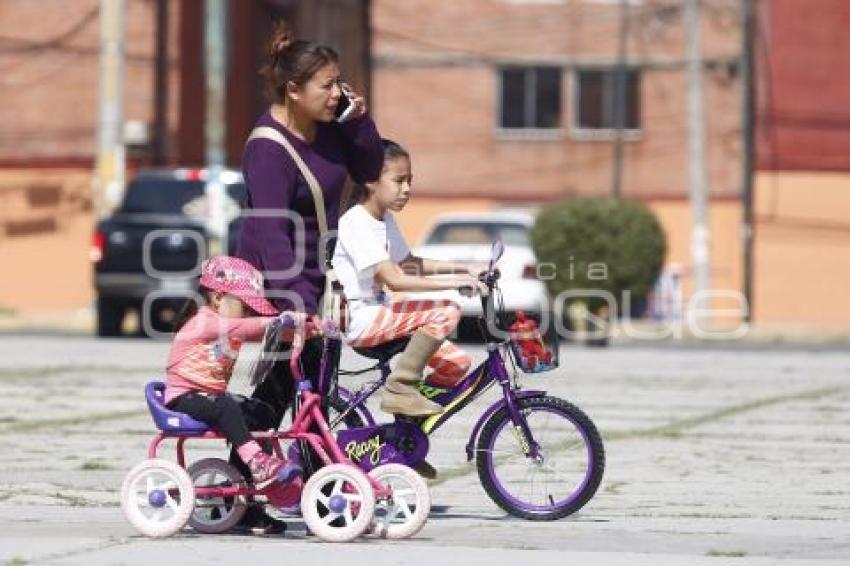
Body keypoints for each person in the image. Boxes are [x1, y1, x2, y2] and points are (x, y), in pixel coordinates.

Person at [235, 20, 384, 531]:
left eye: (339, 82)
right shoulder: (267, 147)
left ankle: (320, 491)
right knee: (276, 390)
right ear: (293, 90)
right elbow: (270, 232)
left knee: (315, 388)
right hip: (273, 282)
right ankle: (242, 494)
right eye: (327, 85)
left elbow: (370, 169)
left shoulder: (329, 130)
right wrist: (295, 301)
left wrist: (358, 119)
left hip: (316, 278)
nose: (336, 92)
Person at [332, 139, 489, 422]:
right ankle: (400, 387)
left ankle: (406, 437)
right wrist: (456, 284)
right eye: (399, 180)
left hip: (381, 312)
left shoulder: (385, 219)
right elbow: (394, 279)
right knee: (447, 310)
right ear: (370, 181)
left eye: (410, 181)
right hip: (361, 318)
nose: (407, 189)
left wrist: (467, 269)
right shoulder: (356, 222)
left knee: (457, 364)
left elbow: (410, 265)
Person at [165, 256, 306, 506]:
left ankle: (253, 480)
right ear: (218, 298)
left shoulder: (227, 325)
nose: (249, 314)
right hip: (184, 397)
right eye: (246, 306)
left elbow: (261, 332)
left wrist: (309, 326)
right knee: (225, 406)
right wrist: (279, 319)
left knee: (260, 412)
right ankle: (257, 462)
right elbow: (251, 328)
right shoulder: (205, 322)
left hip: (209, 397)